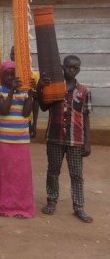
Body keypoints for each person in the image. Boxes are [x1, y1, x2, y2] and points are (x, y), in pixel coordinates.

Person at [37, 55, 93, 223]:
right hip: (54, 138)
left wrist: (87, 142)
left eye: (75, 68)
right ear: (63, 66)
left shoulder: (84, 91)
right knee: (53, 171)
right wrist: (40, 88)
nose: (71, 70)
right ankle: (52, 200)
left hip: (75, 140)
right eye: (68, 66)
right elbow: (43, 107)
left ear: (79, 70)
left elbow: (86, 117)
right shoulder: (54, 87)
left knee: (76, 174)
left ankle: (79, 207)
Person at [0, 61, 35, 219]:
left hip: (21, 139)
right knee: (4, 174)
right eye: (6, 75)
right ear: (2, 76)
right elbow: (4, 109)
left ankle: (21, 207)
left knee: (20, 175)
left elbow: (26, 113)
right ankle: (2, 206)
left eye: (12, 75)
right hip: (4, 139)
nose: (9, 78)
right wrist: (12, 90)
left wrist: (31, 92)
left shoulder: (24, 91)